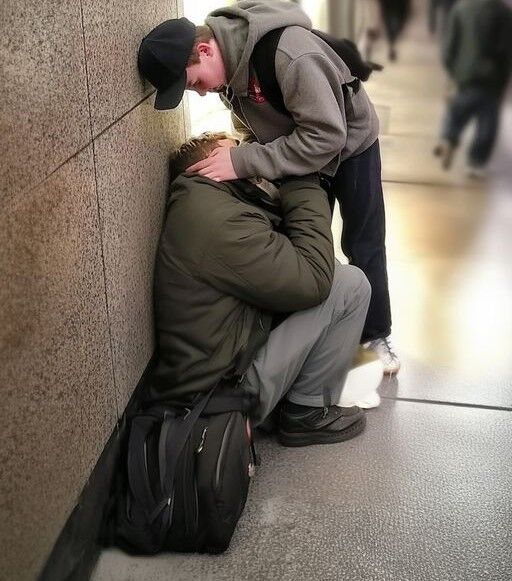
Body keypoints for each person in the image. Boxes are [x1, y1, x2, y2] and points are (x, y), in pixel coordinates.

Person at [137, 1, 400, 375]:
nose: (198, 94)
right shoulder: (229, 76)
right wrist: (246, 153)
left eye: (193, 82)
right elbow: (253, 127)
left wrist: (244, 161)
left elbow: (327, 136)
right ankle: (332, 326)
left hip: (349, 144)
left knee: (364, 241)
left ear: (207, 49)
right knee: (307, 241)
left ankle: (375, 335)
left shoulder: (291, 56)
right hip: (300, 149)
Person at [147, 132, 371, 446]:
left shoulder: (207, 204)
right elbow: (314, 278)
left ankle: (297, 399)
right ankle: (306, 413)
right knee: (349, 285)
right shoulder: (219, 223)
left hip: (223, 363)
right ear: (209, 168)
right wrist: (301, 179)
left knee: (333, 273)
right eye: (232, 153)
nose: (244, 157)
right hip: (221, 394)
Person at [433, 0, 512, 177]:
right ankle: (475, 162)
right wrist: (504, 78)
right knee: (487, 123)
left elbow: (449, 47)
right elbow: (506, 50)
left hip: (464, 74)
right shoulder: (503, 12)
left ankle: (448, 138)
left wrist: (453, 72)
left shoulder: (461, 8)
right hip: (491, 78)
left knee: (456, 111)